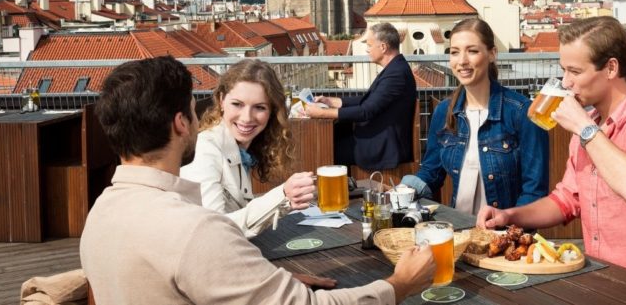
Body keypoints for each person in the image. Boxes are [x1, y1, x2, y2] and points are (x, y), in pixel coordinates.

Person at [81, 56, 434, 305]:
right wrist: (399, 285)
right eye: (193, 109)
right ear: (180, 124)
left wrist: (255, 283)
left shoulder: (99, 214)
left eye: (260, 108)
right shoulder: (194, 228)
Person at [475, 16, 626, 287]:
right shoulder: (589, 128)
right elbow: (566, 200)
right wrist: (509, 215)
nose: (565, 83)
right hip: (601, 277)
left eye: (575, 72)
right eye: (563, 71)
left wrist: (584, 127)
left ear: (611, 68)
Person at [400, 17, 549, 212]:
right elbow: (431, 171)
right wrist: (403, 191)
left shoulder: (522, 112)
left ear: (492, 54)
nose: (462, 61)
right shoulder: (445, 111)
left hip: (505, 235)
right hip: (461, 231)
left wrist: (509, 228)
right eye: (454, 52)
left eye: (472, 51)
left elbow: (535, 190)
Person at [181, 59, 314, 238]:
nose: (246, 117)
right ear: (221, 100)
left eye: (259, 107)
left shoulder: (241, 150)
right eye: (237, 104)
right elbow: (213, 231)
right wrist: (282, 196)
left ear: (271, 112)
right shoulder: (205, 150)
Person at [307, 22, 416, 171]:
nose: (367, 49)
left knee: (325, 149)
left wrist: (323, 113)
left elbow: (366, 111)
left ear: (383, 47)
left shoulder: (395, 75)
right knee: (334, 136)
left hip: (383, 146)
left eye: (370, 45)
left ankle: (339, 190)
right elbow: (368, 99)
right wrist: (332, 101)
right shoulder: (395, 68)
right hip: (380, 136)